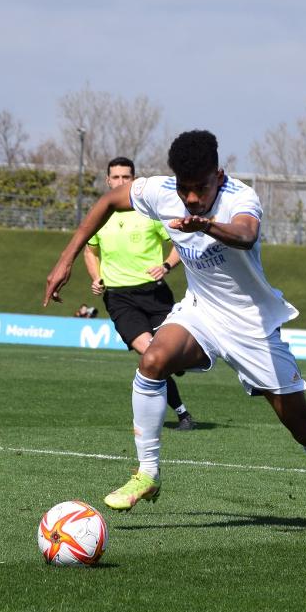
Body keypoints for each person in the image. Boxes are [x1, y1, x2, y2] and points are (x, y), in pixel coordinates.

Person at [45, 130, 306, 533]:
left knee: (303, 427)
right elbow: (110, 201)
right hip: (200, 312)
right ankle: (148, 474)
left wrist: (206, 225)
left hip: (251, 325)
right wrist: (67, 258)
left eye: (199, 188)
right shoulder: (161, 191)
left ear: (218, 175)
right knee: (153, 360)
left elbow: (246, 233)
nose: (190, 198)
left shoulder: (241, 197)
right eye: (184, 189)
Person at [85, 157, 197, 431]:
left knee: (167, 357)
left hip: (156, 295)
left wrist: (167, 265)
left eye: (127, 177)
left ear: (134, 180)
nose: (121, 182)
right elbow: (89, 249)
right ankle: (182, 414)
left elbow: (179, 243)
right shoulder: (101, 214)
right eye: (116, 178)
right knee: (151, 356)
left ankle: (177, 366)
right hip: (119, 299)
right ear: (108, 180)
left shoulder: (151, 212)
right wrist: (96, 277)